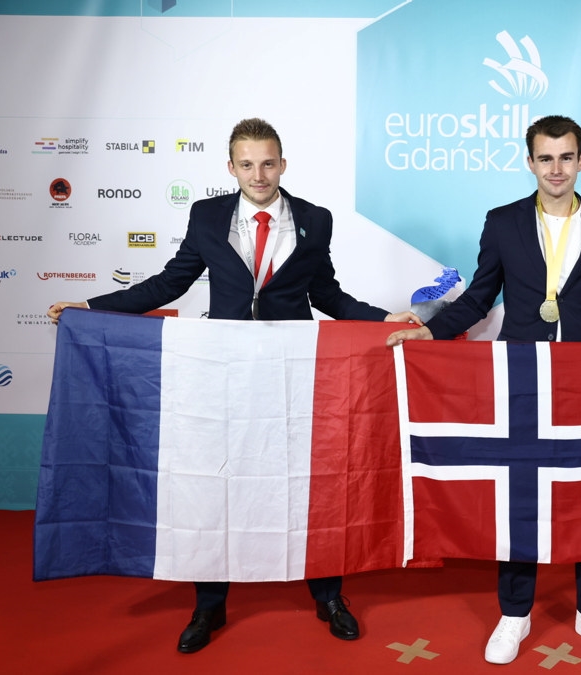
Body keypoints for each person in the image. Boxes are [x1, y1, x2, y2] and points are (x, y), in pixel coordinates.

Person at [48, 117, 421, 654]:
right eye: (247, 164)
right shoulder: (206, 215)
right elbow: (170, 282)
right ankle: (209, 604)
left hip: (295, 371)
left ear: (283, 164)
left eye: (267, 163)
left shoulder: (315, 219)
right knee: (215, 484)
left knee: (309, 480)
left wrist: (383, 318)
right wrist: (92, 306)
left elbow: (327, 294)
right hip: (221, 372)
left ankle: (328, 595)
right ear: (231, 167)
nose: (258, 174)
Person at [385, 115, 581, 665]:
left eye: (566, 157)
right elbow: (479, 297)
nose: (556, 168)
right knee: (520, 489)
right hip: (522, 377)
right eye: (545, 158)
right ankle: (514, 611)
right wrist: (431, 333)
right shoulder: (502, 222)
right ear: (529, 162)